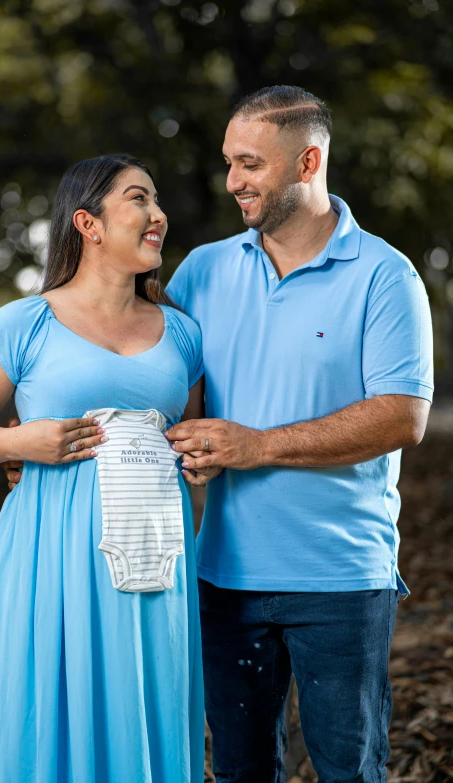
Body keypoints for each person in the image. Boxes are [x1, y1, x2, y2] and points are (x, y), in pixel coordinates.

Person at [161, 86, 433, 782]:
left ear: (308, 161)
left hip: (340, 580)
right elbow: (167, 401)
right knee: (240, 771)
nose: (232, 182)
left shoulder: (385, 276)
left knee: (350, 770)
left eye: (249, 164)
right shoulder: (203, 271)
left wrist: (254, 444)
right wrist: (50, 446)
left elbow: (403, 414)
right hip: (224, 576)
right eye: (228, 163)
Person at [0, 154, 218, 783]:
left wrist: (201, 461)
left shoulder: (183, 334)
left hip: (156, 558)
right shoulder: (23, 324)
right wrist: (24, 441)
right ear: (87, 223)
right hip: (49, 555)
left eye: (157, 200)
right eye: (139, 199)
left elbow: (192, 440)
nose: (158, 215)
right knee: (49, 708)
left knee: (147, 705)